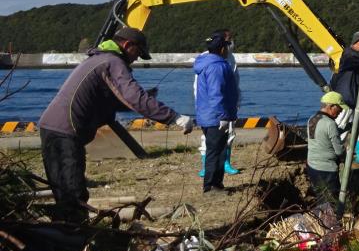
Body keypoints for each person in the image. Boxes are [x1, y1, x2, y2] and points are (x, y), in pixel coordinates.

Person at [38, 25, 194, 223]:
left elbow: (116, 100)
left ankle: (65, 234)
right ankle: (75, 240)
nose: (137, 58)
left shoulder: (98, 59)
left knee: (64, 191)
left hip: (54, 128)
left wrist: (147, 99)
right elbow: (134, 97)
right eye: (138, 52)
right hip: (64, 132)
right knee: (72, 193)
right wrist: (174, 117)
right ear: (128, 45)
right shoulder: (112, 61)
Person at [194, 32, 240, 193]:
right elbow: (216, 93)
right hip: (215, 117)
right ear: (222, 49)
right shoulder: (216, 67)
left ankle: (216, 183)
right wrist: (224, 116)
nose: (228, 49)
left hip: (209, 115)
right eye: (227, 46)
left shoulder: (210, 63)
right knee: (215, 150)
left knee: (218, 149)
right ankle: (211, 186)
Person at [330, 30, 359, 164]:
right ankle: (335, 153)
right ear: (354, 43)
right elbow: (355, 58)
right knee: (342, 125)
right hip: (346, 98)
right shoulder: (348, 53)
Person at [306, 91, 348, 206]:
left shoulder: (312, 119)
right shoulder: (330, 124)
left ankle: (321, 221)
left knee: (321, 198)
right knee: (331, 202)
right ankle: (331, 223)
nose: (341, 112)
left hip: (312, 166)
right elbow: (339, 150)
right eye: (339, 108)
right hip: (327, 169)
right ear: (330, 106)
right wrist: (346, 155)